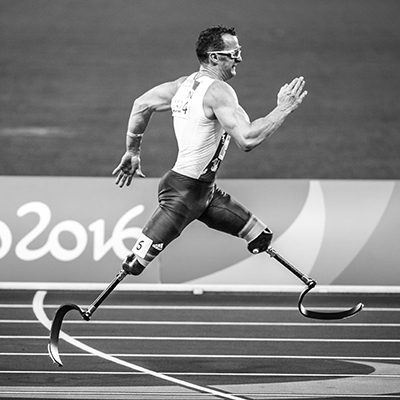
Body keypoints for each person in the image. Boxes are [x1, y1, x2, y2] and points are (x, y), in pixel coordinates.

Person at [112, 25, 307, 276]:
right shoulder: (218, 91)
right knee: (135, 264)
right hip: (183, 195)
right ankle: (89, 309)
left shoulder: (184, 85)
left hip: (205, 193)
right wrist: (283, 108)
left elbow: (142, 104)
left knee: (260, 237)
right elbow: (247, 139)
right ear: (214, 57)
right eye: (234, 53)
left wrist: (133, 150)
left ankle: (306, 284)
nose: (239, 58)